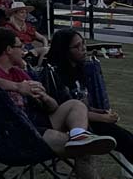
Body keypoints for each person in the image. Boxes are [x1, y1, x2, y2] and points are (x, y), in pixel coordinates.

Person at [0, 28, 116, 179]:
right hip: (13, 136)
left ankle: (79, 135)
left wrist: (44, 97)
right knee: (83, 152)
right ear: (8, 50)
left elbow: (52, 108)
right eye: (20, 46)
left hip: (33, 124)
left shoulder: (18, 72)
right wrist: (17, 87)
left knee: (76, 105)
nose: (24, 50)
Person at [42, 29, 133, 171]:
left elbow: (84, 104)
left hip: (89, 120)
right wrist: (103, 118)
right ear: (64, 50)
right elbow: (68, 110)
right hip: (72, 127)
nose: (83, 49)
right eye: (77, 46)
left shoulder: (79, 70)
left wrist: (102, 113)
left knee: (127, 138)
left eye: (83, 43)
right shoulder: (55, 75)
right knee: (125, 140)